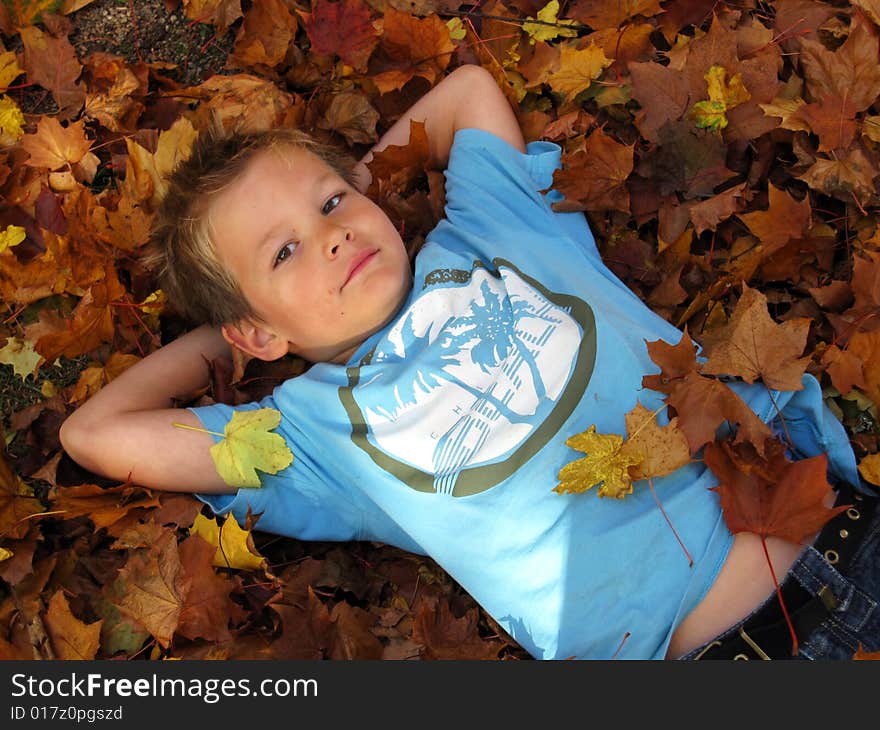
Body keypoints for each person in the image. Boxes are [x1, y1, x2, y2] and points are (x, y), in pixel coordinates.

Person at [59, 64, 879, 660]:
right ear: (259, 333)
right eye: (283, 253)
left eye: (332, 202)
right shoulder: (307, 436)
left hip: (846, 533)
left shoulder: (489, 225)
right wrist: (224, 339)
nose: (333, 234)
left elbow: (468, 90)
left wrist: (362, 180)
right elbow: (95, 435)